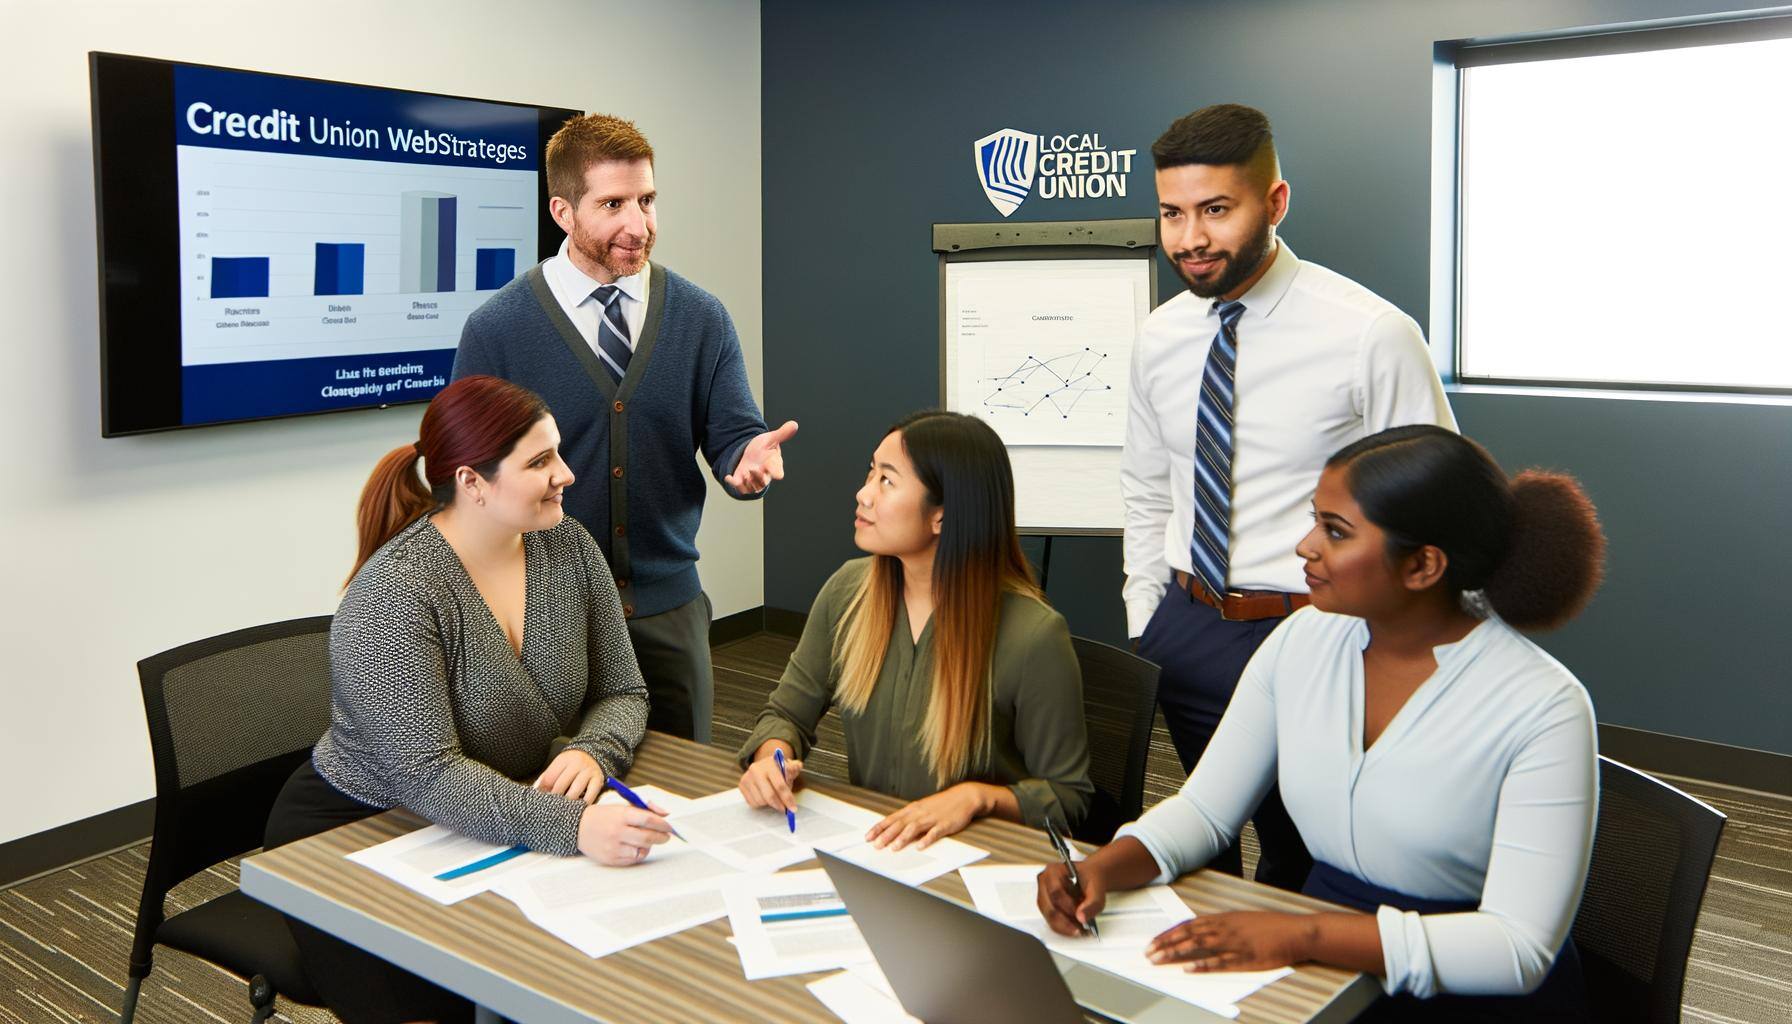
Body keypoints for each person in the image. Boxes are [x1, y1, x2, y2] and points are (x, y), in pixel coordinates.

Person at [1044, 425, 1604, 1020]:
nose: (1305, 546)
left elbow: (1517, 949)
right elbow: (1206, 810)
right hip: (1322, 963)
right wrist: (1102, 865)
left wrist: (1302, 933)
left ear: (1422, 565)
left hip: (1465, 989)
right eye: (1316, 520)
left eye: (1335, 532)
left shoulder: (1545, 706)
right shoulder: (1303, 640)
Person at [1122, 103, 1456, 889]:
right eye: (1172, 213)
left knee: (1310, 863)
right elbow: (1145, 487)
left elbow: (1441, 508)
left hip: (1320, 637)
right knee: (1199, 849)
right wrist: (1147, 618)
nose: (1189, 238)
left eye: (1215, 210)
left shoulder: (1371, 334)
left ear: (1274, 203)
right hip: (1188, 626)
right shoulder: (1160, 336)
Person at [264, 375, 669, 1024]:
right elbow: (425, 773)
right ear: (473, 482)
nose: (566, 473)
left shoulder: (568, 545)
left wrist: (596, 750)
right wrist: (573, 826)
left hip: (491, 807)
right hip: (361, 830)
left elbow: (623, 689)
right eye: (539, 462)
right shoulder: (396, 592)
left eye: (557, 452)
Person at [453, 113, 797, 745]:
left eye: (647, 201)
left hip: (668, 607)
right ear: (562, 212)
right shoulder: (496, 329)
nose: (637, 226)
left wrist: (746, 463)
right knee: (559, 795)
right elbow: (465, 481)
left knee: (686, 790)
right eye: (612, 204)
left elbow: (732, 438)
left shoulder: (700, 317)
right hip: (543, 617)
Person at [737, 412, 1093, 848]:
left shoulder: (1034, 636)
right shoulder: (848, 592)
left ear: (942, 515)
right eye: (871, 472)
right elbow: (786, 715)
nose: (863, 494)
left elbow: (1069, 800)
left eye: (887, 481)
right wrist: (773, 758)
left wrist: (978, 798)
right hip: (874, 847)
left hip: (974, 861)